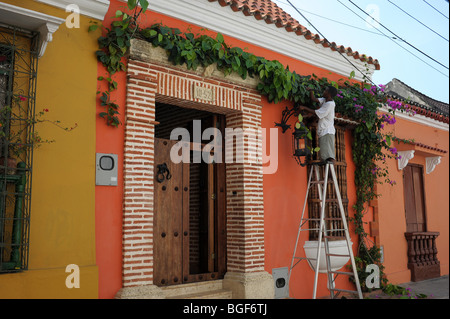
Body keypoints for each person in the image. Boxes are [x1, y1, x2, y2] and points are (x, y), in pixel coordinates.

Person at [300, 86, 338, 163]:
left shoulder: (330, 104)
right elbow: (313, 99)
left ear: (329, 94)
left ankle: (330, 173)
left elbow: (317, 113)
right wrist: (311, 90)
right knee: (326, 156)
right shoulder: (325, 100)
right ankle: (329, 172)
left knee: (329, 157)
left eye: (326, 90)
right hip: (325, 131)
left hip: (327, 131)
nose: (324, 91)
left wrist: (304, 108)